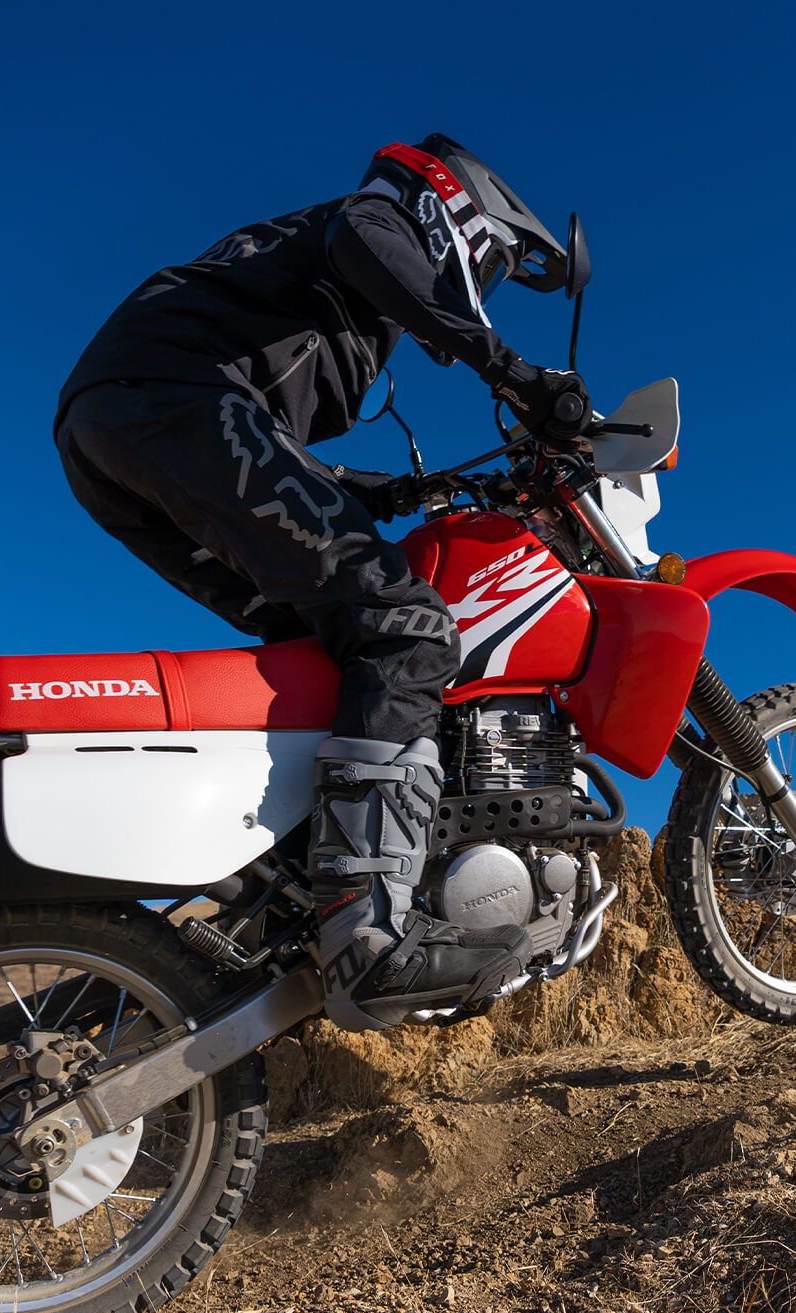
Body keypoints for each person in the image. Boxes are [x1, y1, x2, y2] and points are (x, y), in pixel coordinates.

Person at [54, 137, 590, 1032]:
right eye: (488, 265)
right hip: (180, 401)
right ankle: (364, 929)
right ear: (457, 212)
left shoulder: (290, 273)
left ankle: (289, 884)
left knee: (319, 650)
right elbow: (362, 248)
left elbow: (260, 441)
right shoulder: (373, 220)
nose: (479, 288)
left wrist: (379, 491)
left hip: (113, 431)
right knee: (409, 631)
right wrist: (516, 374)